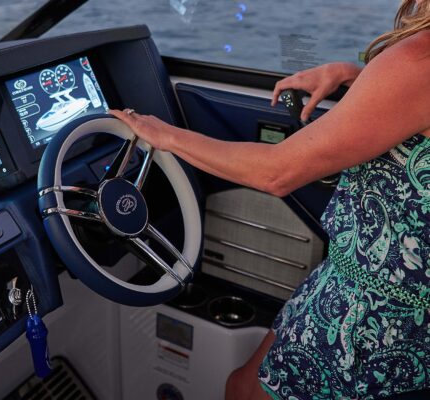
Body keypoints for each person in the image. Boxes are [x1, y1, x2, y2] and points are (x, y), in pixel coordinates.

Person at [109, 0, 430, 398]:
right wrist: (357, 78)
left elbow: (276, 173)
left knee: (241, 390)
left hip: (372, 316)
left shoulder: (418, 61)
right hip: (393, 299)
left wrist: (164, 135)